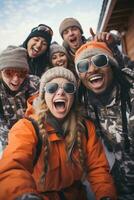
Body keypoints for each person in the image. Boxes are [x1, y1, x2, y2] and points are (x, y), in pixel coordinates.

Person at [0, 67, 117, 200]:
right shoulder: (27, 128)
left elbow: (98, 169)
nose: (60, 91)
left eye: (68, 87)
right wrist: (21, 195)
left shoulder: (85, 128)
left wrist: (106, 195)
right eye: (52, 88)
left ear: (73, 97)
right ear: (44, 96)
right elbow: (13, 165)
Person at [75, 41, 134, 200]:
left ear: (112, 65)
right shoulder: (83, 105)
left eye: (100, 61)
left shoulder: (131, 88)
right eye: (83, 66)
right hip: (120, 190)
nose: (92, 69)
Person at [0, 45, 40, 156]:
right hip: (9, 146)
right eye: (8, 73)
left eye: (21, 74)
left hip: (36, 142)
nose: (16, 80)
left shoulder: (35, 84)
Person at [59, 17, 124, 68]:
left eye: (74, 29)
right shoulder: (63, 57)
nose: (71, 33)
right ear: (63, 39)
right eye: (66, 32)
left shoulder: (96, 44)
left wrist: (111, 45)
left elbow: (120, 65)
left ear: (81, 32)